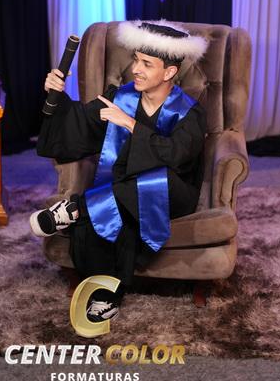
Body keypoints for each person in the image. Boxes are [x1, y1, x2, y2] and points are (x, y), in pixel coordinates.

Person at [29, 20, 208, 323]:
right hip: (123, 193)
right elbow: (79, 125)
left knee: (147, 183)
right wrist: (56, 96)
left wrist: (130, 124)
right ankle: (106, 293)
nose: (135, 69)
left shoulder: (189, 111)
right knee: (113, 212)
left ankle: (76, 208)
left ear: (169, 72)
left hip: (171, 192)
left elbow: (177, 157)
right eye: (136, 59)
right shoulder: (121, 98)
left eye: (146, 64)